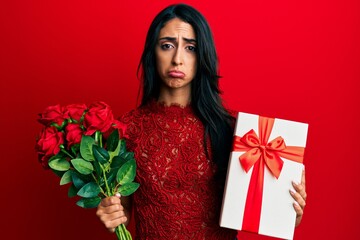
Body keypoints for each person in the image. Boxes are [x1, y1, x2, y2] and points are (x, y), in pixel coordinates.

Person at [96, 3, 307, 239]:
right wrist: (111, 216)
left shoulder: (237, 132)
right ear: (152, 52)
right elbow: (121, 213)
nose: (177, 59)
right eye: (167, 46)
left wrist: (289, 211)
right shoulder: (126, 130)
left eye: (190, 48)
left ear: (202, 54)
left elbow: (268, 212)